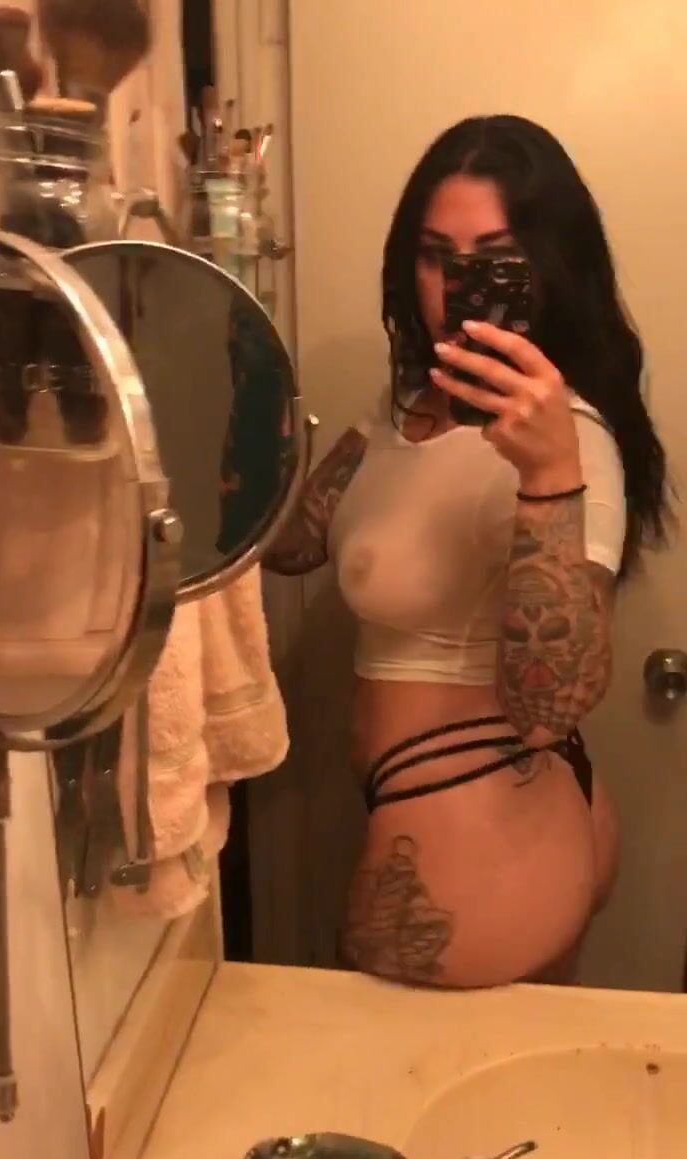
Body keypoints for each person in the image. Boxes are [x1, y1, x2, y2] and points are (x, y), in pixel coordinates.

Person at [263, 115, 670, 989]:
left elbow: (547, 706)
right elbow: (294, 543)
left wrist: (550, 478)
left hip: (481, 831)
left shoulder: (574, 440)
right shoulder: (406, 404)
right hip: (448, 820)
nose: (454, 286)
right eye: (432, 255)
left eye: (492, 259)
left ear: (548, 268)